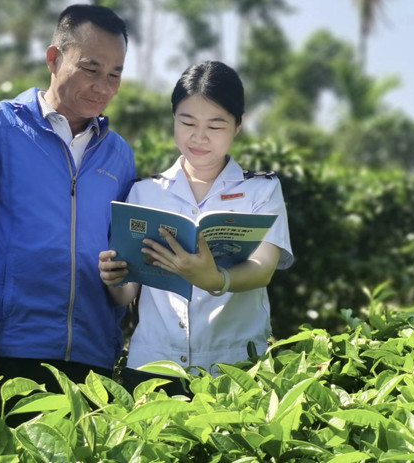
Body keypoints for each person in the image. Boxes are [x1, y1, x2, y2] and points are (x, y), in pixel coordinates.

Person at [0, 4, 136, 393]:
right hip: (6, 350)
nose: (104, 86)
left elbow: (124, 258)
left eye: (115, 75)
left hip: (92, 362)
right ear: (53, 58)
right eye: (91, 69)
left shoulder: (119, 154)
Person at [98, 61, 293, 395]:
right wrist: (114, 278)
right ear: (173, 119)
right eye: (187, 122)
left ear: (238, 126)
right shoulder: (144, 192)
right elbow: (128, 292)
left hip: (235, 368)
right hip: (152, 367)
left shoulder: (261, 190)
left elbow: (263, 269)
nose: (199, 137)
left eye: (215, 126)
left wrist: (217, 279)